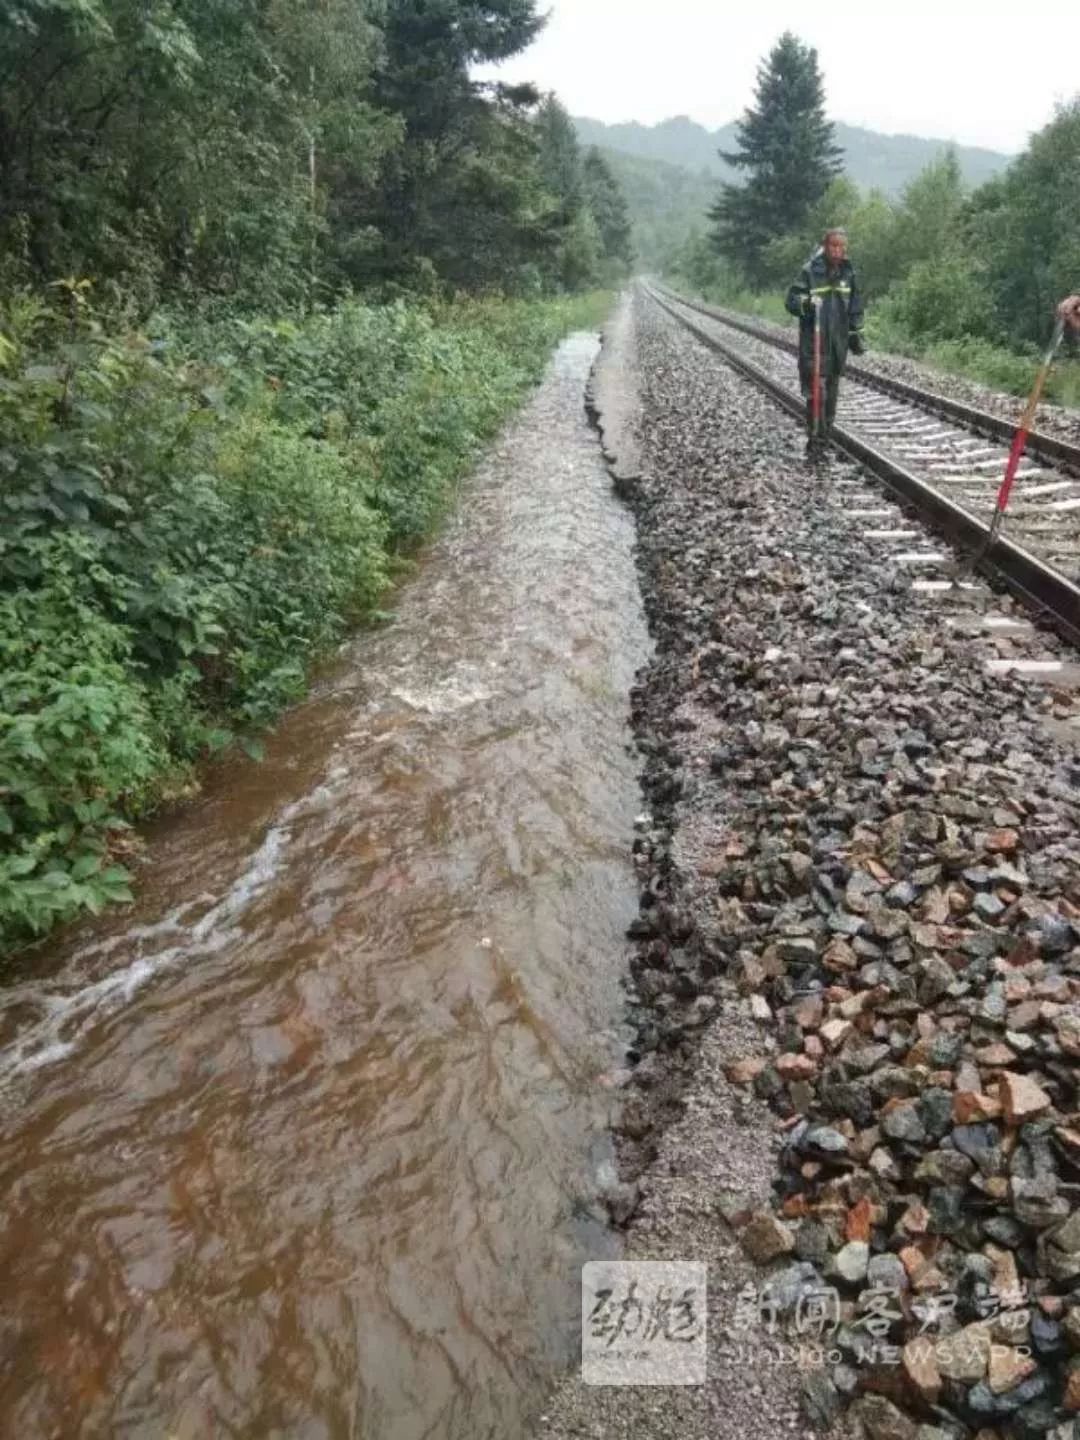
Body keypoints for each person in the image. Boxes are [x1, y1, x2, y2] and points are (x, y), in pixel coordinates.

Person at [786, 228, 865, 454]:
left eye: (841, 246)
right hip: (814, 344)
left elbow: (855, 307)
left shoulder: (849, 274)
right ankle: (815, 439)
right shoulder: (811, 271)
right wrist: (807, 303)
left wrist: (855, 334)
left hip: (837, 345)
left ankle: (825, 436)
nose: (837, 250)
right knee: (816, 393)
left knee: (830, 396)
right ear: (825, 246)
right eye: (833, 246)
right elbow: (791, 301)